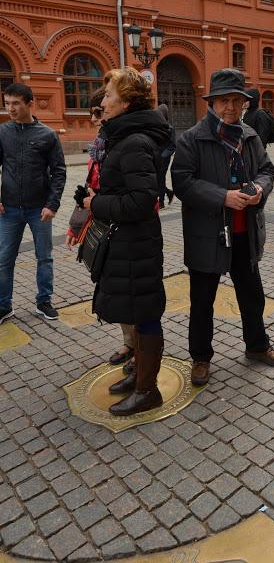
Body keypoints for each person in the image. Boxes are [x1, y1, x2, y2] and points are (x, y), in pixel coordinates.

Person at [172, 68, 274, 387]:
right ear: (212, 102)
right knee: (202, 301)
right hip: (207, 235)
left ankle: (257, 346)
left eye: (238, 102)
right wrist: (222, 196)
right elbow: (181, 182)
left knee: (252, 295)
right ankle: (200, 358)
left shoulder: (249, 136)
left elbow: (267, 169)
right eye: (224, 101)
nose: (231, 108)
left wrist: (261, 190)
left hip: (243, 232)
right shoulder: (191, 139)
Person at [82, 66, 169, 416]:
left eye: (108, 95)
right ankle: (138, 378)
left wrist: (95, 203)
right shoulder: (123, 136)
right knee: (135, 311)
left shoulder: (134, 141)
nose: (103, 101)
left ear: (127, 101)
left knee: (145, 313)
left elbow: (141, 200)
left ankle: (148, 390)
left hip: (136, 242)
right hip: (127, 242)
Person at [66, 89, 135, 368]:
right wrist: (76, 225)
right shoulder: (100, 145)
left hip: (125, 231)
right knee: (113, 289)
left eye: (99, 112)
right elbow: (90, 189)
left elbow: (138, 197)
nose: (95, 119)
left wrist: (99, 202)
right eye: (92, 113)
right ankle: (129, 342)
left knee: (130, 292)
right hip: (103, 226)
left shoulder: (124, 144)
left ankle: (141, 350)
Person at [0, 83, 66, 324]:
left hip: (39, 210)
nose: (10, 108)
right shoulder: (2, 132)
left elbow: (59, 171)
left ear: (30, 103)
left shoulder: (47, 135)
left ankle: (44, 301)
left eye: (16, 103)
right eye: (7, 103)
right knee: (4, 259)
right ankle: (3, 306)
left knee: (44, 257)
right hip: (8, 210)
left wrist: (52, 204)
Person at [156, 104, 175, 209]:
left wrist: (163, 156)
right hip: (155, 157)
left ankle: (162, 202)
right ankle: (168, 192)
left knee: (160, 178)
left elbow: (172, 146)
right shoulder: (155, 127)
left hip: (164, 159)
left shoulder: (170, 128)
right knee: (156, 179)